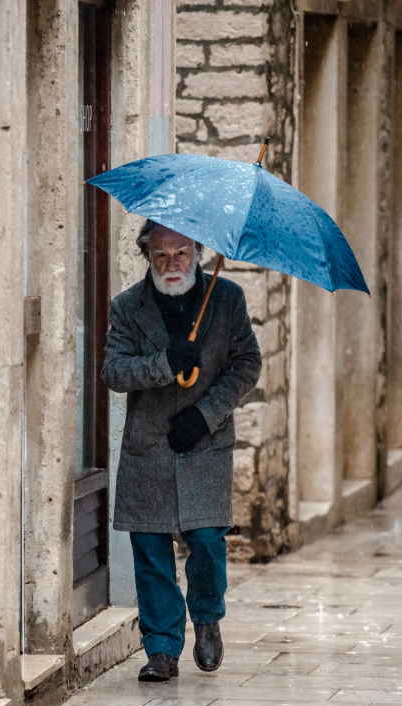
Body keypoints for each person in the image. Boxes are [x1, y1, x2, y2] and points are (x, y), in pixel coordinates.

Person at [101, 220, 262, 682]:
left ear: (198, 252)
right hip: (148, 449)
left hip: (206, 445)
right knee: (150, 552)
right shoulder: (127, 308)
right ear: (147, 255)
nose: (173, 264)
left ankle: (207, 620)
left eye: (182, 254)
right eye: (162, 255)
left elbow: (247, 364)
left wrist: (205, 415)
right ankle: (161, 649)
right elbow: (114, 372)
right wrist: (163, 364)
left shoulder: (226, 299)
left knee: (208, 544)